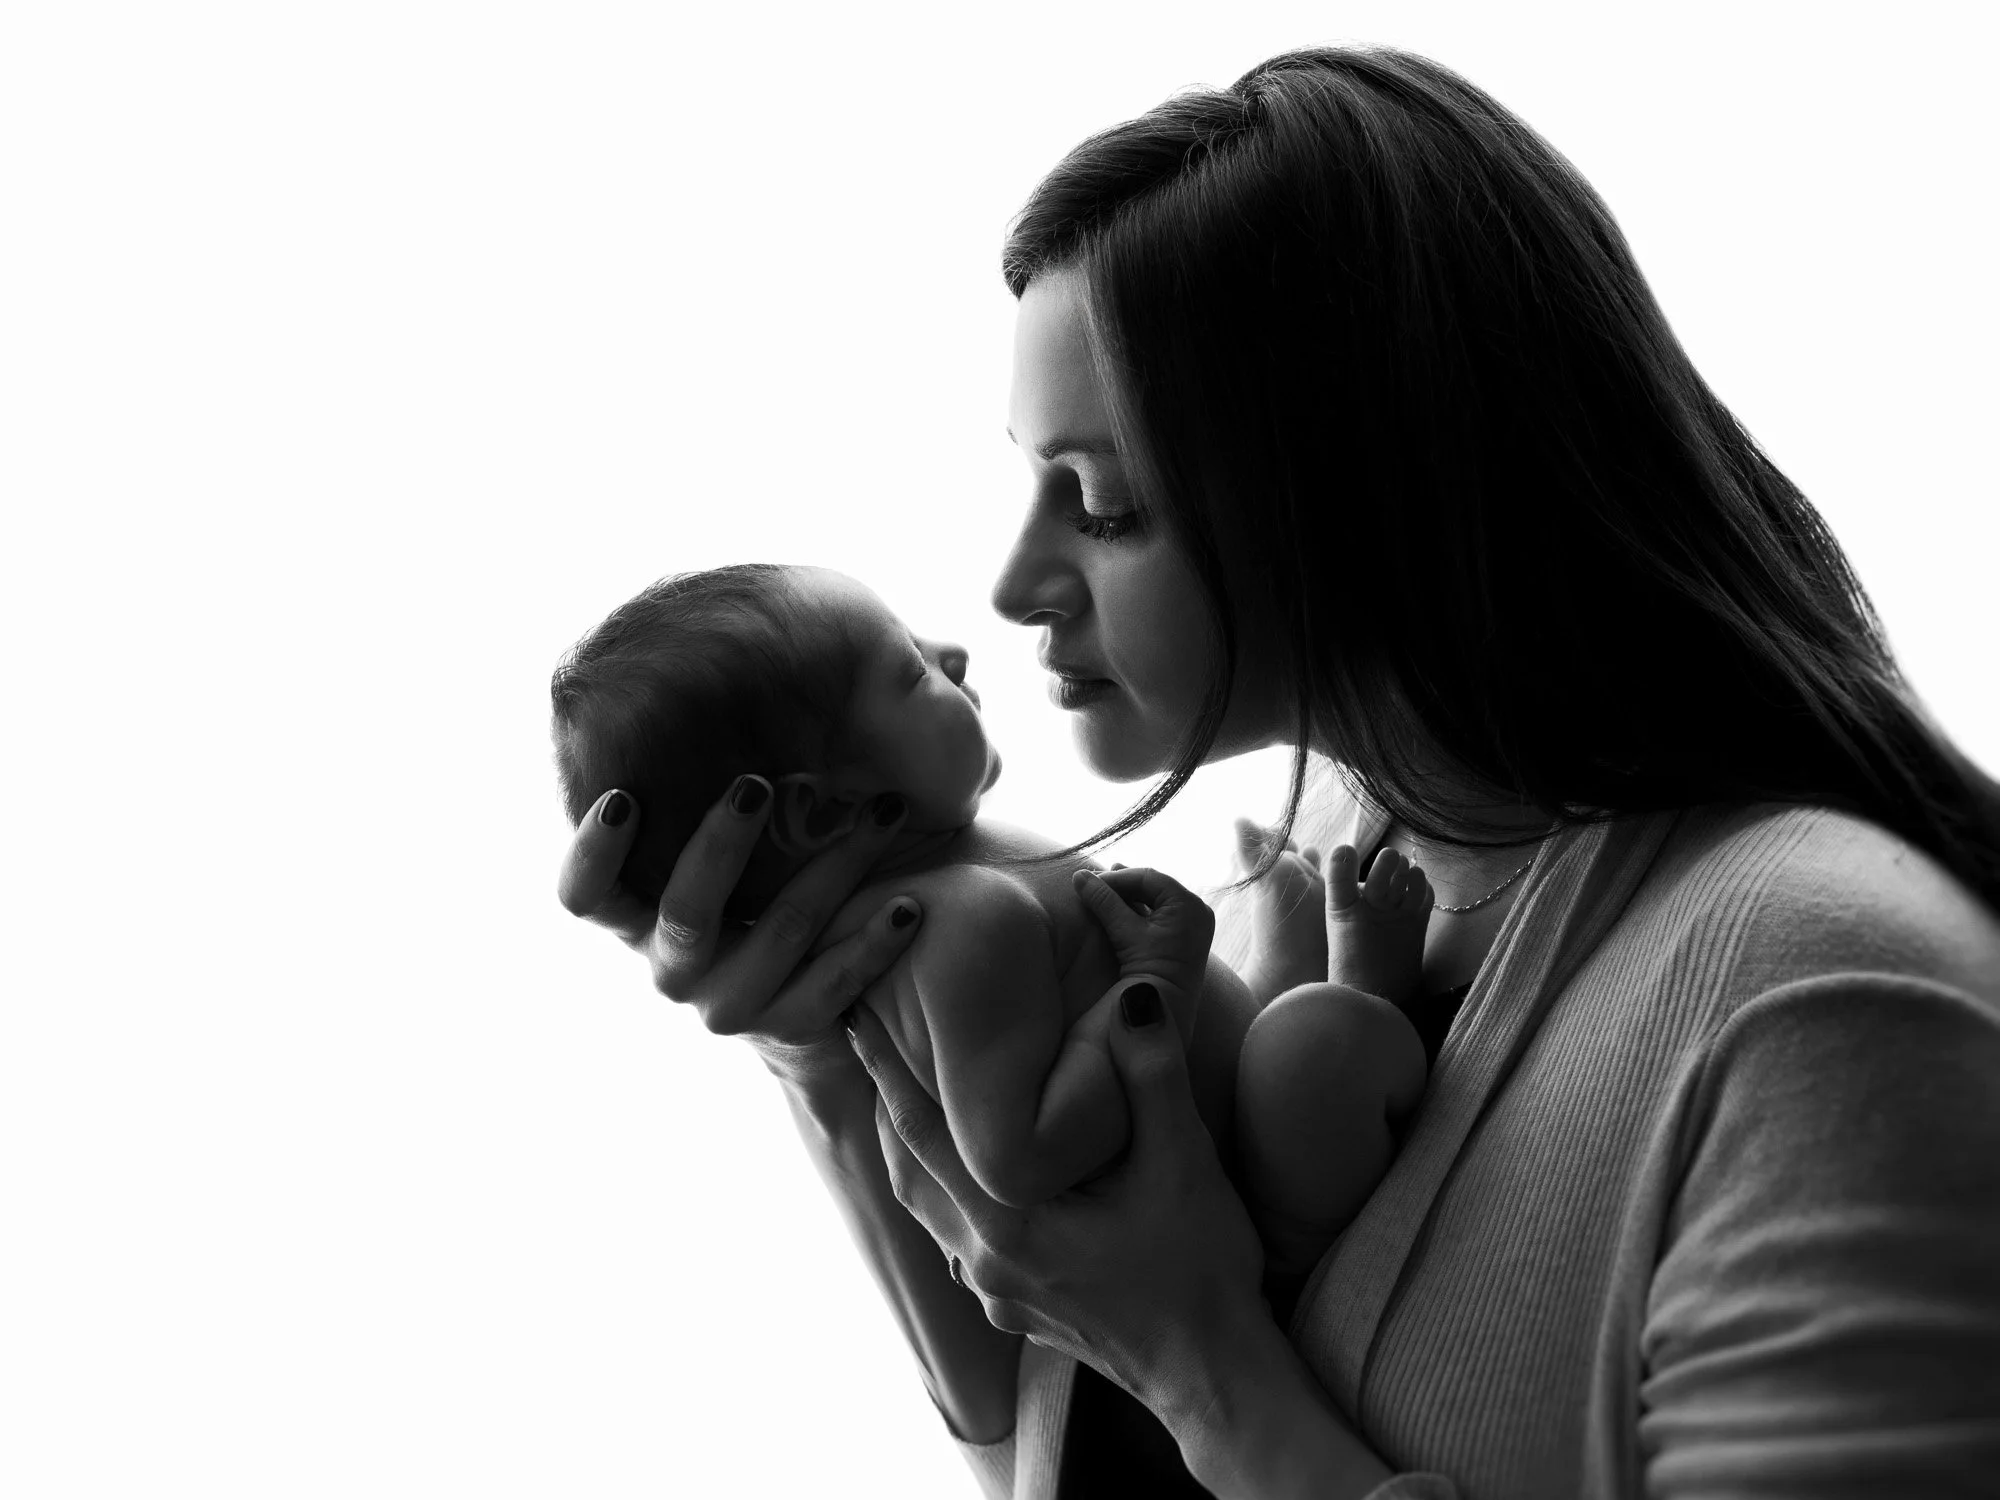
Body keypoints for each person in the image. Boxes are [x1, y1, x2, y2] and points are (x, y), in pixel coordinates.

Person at [557, 44, 2000, 1500]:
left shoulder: (1820, 1011)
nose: (1011, 585)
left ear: (1371, 486)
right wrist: (825, 1049)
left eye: (1104, 505)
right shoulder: (1327, 848)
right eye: (1032, 481)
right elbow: (1050, 1441)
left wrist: (1200, 1361)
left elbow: (1173, 1372)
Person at [549, 560, 1425, 1265]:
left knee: (1280, 1023)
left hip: (1226, 1123)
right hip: (1252, 1220)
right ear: (821, 812)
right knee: (1316, 1046)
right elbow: (1020, 1156)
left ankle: (1312, 987)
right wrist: (1159, 977)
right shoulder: (947, 929)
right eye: (908, 669)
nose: (953, 653)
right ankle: (1364, 992)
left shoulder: (960, 866)